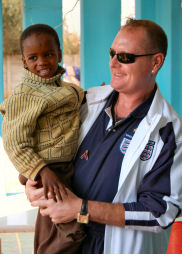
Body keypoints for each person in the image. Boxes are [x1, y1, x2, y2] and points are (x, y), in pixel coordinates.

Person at [27, 18, 182, 254]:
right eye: (112, 53)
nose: (113, 63)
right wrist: (34, 180)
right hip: (64, 243)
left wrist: (80, 208)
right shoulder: (85, 101)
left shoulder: (168, 130)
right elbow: (49, 151)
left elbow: (160, 212)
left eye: (125, 57)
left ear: (156, 62)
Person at [0, 24, 86, 253]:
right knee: (62, 236)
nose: (42, 62)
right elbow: (15, 143)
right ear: (23, 61)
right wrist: (42, 171)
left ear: (59, 54)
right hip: (48, 171)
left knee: (60, 229)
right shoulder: (24, 95)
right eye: (33, 57)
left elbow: (78, 101)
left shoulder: (65, 89)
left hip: (66, 168)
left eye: (48, 54)